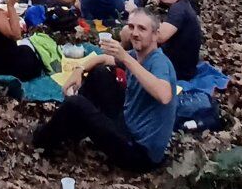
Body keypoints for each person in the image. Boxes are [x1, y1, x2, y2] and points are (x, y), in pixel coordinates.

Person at [32, 9, 177, 170]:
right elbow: (102, 58)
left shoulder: (159, 62)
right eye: (131, 27)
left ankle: (40, 141)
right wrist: (79, 70)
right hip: (126, 123)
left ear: (155, 35)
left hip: (140, 153)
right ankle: (72, 129)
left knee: (76, 104)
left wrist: (127, 60)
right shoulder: (139, 54)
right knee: (100, 73)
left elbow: (164, 95)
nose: (135, 33)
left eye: (142, 29)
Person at [155, 0, 203, 82]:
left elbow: (160, 37)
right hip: (184, 67)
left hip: (176, 71)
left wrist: (135, 14)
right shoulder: (184, 5)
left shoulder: (178, 9)